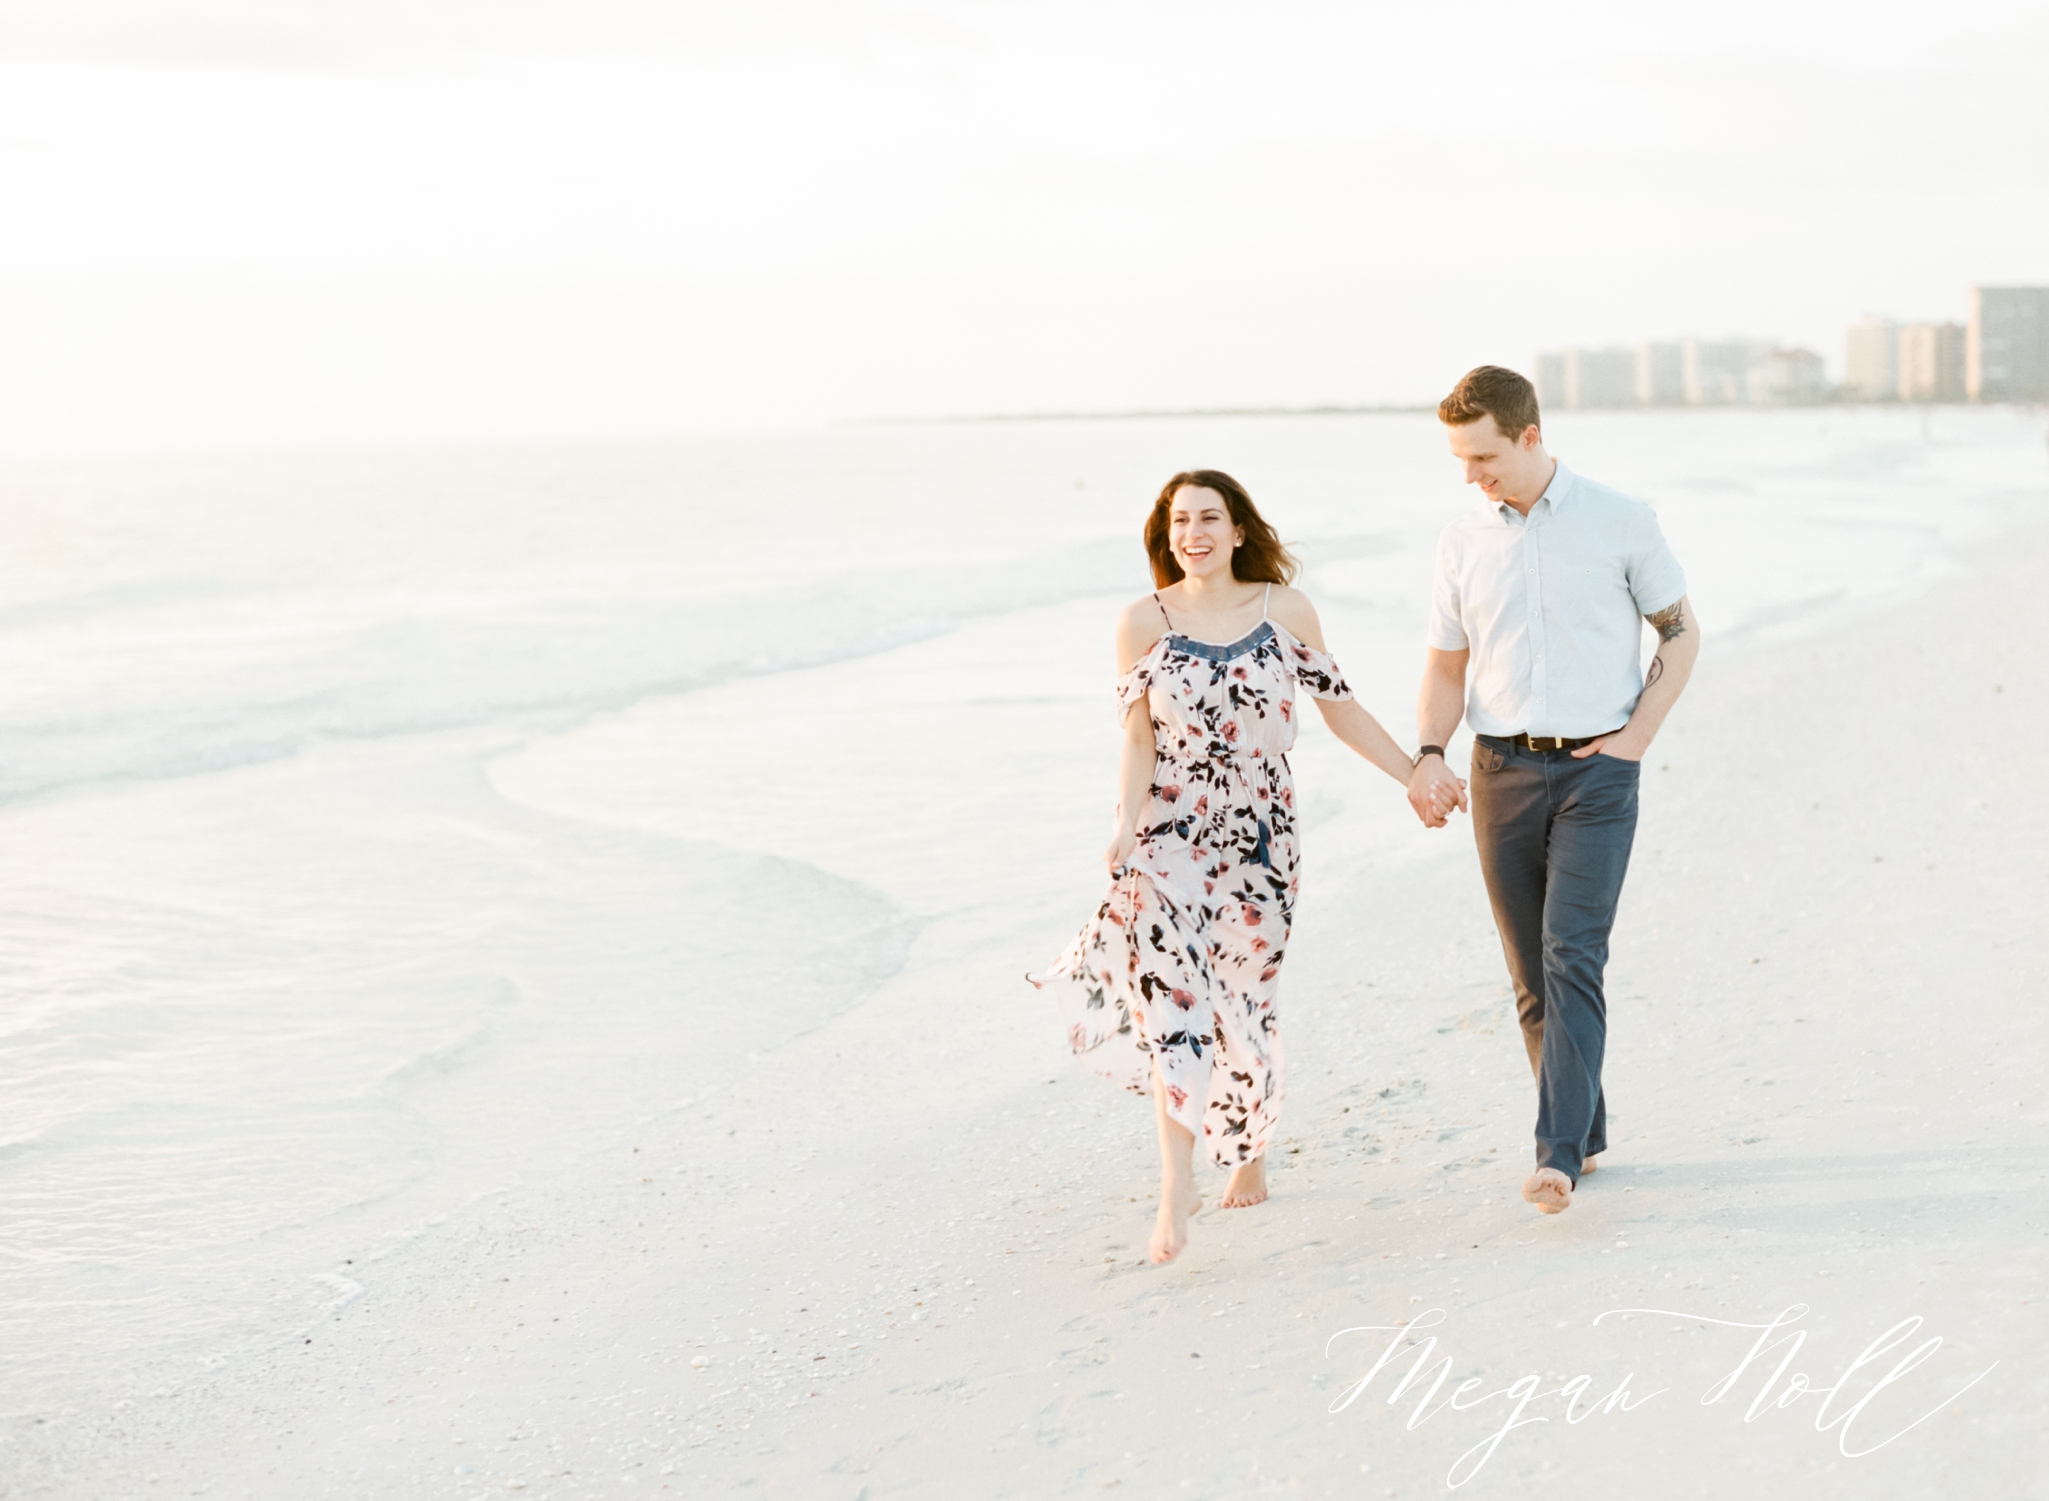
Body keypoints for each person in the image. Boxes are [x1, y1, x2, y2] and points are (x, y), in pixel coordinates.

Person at [1031, 470, 1422, 1264]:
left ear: (1239, 529)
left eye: (1209, 517)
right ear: (1165, 532)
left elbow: (1339, 708)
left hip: (1260, 842)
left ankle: (1246, 1145)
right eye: (1180, 520)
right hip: (1167, 835)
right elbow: (1137, 737)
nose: (1193, 531)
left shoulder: (1286, 612)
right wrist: (1124, 826)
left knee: (1242, 998)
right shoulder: (1142, 619)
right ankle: (1177, 1186)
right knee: (1173, 1005)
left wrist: (1413, 773)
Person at [1406, 366, 1700, 1215]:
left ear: (1529, 436)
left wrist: (1633, 741)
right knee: (1530, 971)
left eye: (1483, 455)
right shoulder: (1461, 541)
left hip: (1596, 773)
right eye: (1460, 459)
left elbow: (1679, 633)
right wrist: (1429, 750)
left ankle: (1557, 1153)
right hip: (1499, 770)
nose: (1471, 474)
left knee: (1573, 952)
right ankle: (1586, 1128)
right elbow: (1444, 663)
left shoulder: (1620, 519)